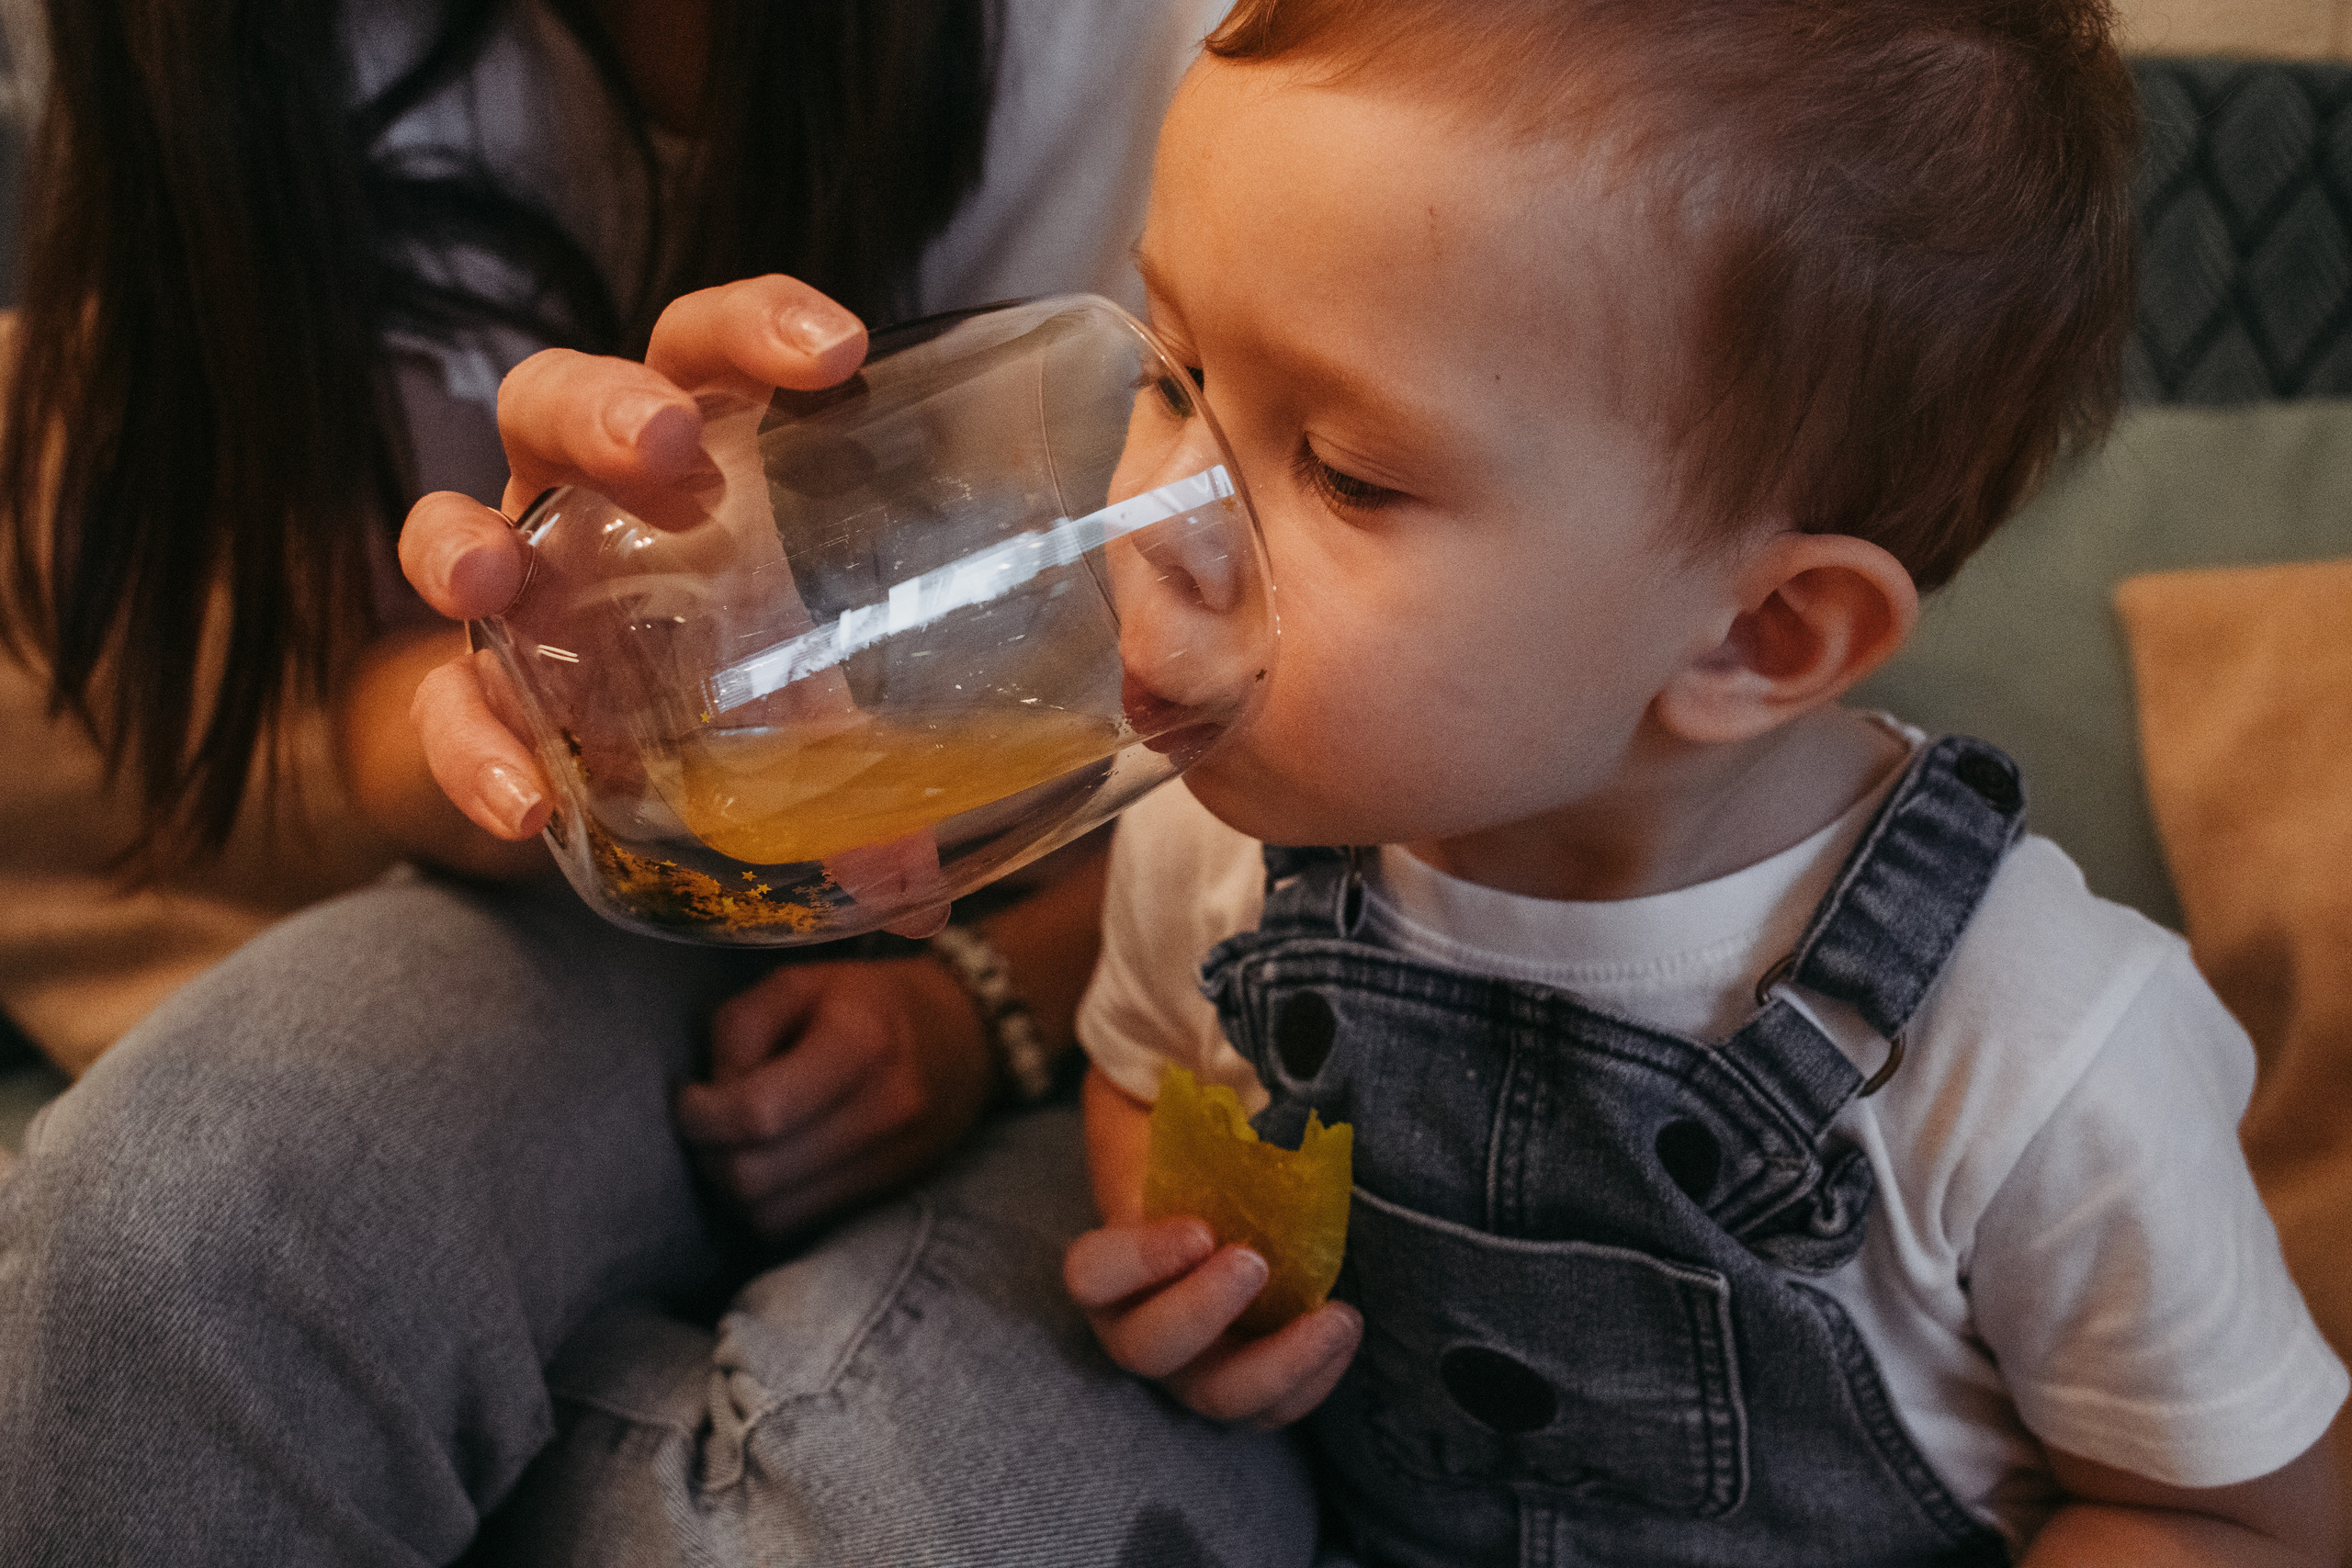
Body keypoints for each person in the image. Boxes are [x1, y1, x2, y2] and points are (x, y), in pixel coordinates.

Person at [0, 1, 1318, 1563]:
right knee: (168, 1240)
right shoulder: (216, 61)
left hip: (1146, 908)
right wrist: (516, 704)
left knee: (857, 1505)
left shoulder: (1149, 53)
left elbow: (1352, 651)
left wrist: (988, 1000)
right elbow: (351, 690)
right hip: (632, 899)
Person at [1050, 1, 2352, 1563]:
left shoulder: (2039, 1050)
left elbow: (2251, 1523)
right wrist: (1183, 1260)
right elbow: (1141, 1072)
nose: (1147, 519)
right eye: (1174, 370)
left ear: (1759, 632)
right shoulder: (1220, 849)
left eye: (1348, 471)